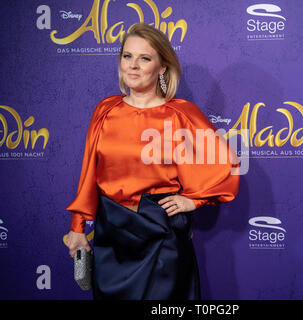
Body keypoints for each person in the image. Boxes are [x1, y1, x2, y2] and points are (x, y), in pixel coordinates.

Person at [65, 23, 240, 300]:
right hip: (112, 234)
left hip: (161, 232)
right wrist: (77, 227)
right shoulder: (105, 109)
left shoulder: (181, 114)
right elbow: (89, 173)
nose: (133, 66)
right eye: (127, 56)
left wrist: (193, 200)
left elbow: (227, 162)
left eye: (144, 58)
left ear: (162, 67)